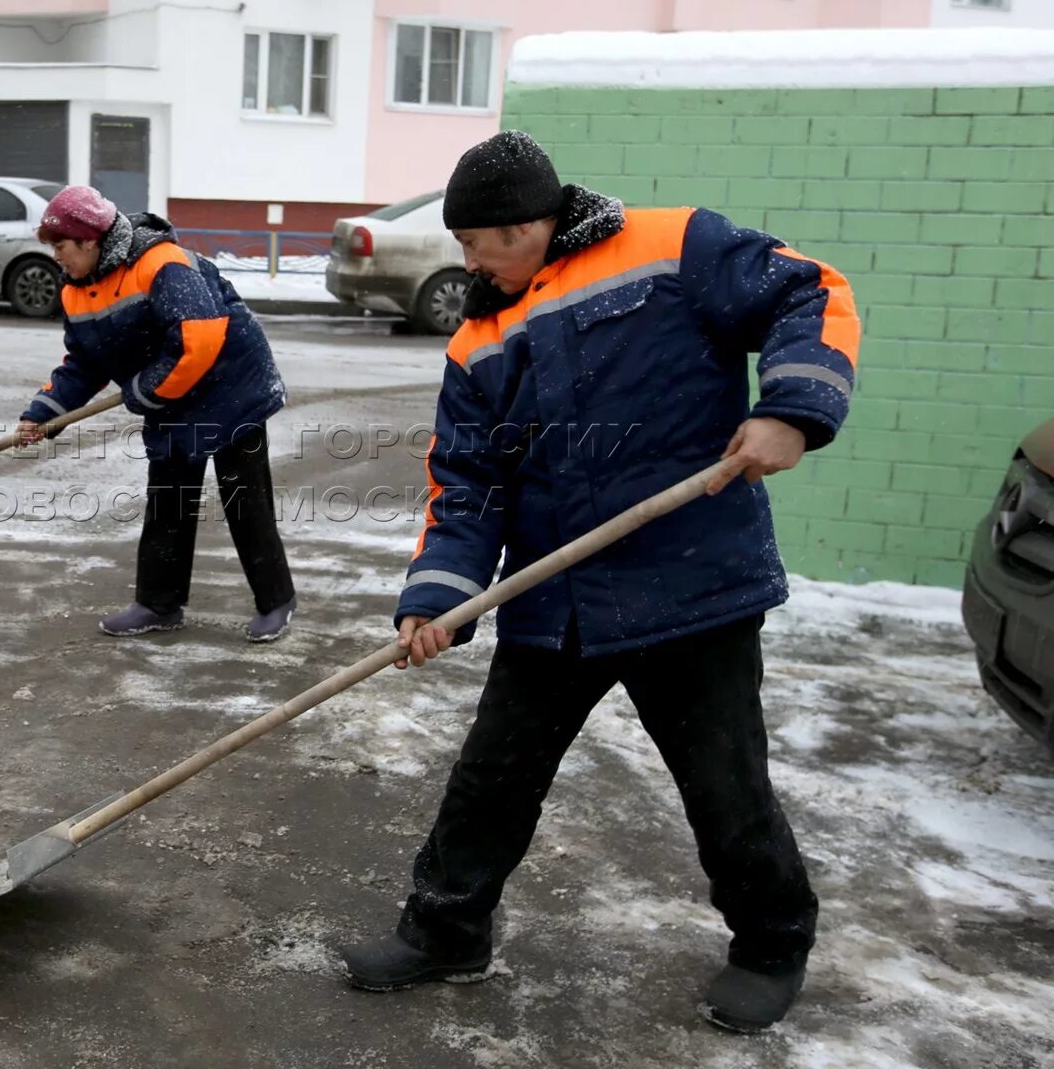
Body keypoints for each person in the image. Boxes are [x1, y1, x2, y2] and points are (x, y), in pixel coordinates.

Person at [340, 132, 860, 1034]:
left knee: (723, 781)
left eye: (479, 240)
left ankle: (772, 943)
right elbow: (467, 483)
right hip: (555, 597)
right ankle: (447, 931)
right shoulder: (479, 339)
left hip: (688, 581)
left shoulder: (675, 247)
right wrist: (438, 598)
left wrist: (791, 411)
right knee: (492, 776)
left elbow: (810, 291)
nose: (467, 259)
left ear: (532, 224)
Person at [18, 185, 297, 642]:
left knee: (243, 498)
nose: (57, 259)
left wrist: (144, 393)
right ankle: (159, 604)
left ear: (89, 241)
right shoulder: (77, 293)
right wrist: (43, 413)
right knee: (168, 495)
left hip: (230, 384)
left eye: (62, 248)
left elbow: (200, 339)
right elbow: (85, 363)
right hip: (171, 387)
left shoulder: (161, 263)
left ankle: (276, 600)